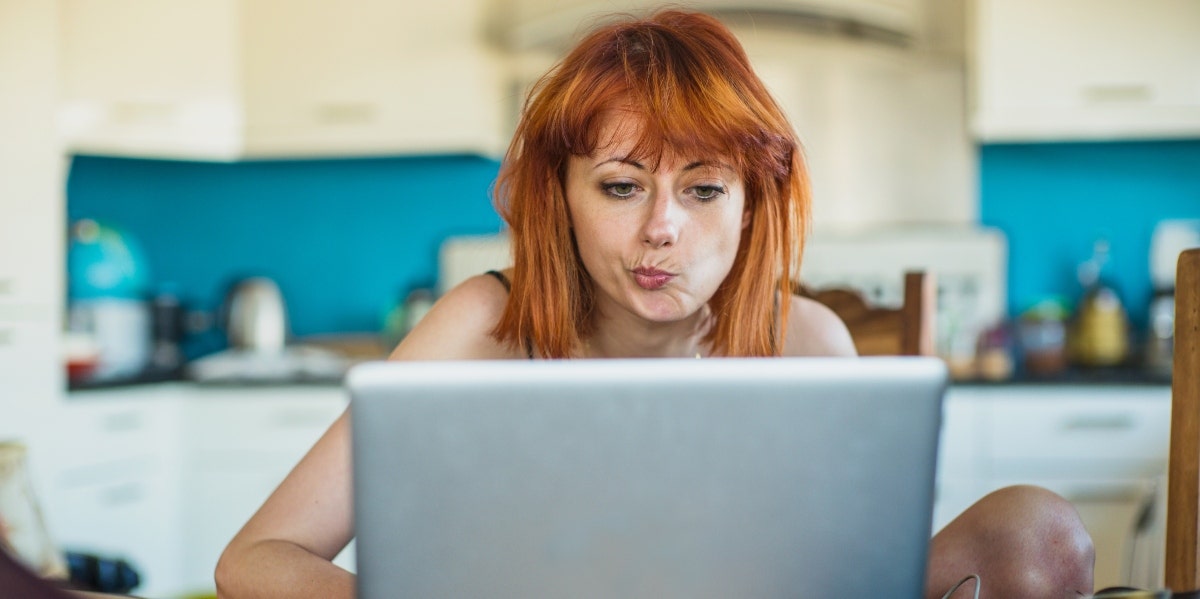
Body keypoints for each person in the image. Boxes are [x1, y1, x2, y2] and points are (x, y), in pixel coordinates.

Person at [215, 9, 1094, 599]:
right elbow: (254, 559)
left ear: (754, 202)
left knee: (1040, 530)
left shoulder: (808, 339)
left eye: (705, 190)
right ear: (558, 195)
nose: (662, 229)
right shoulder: (482, 324)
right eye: (622, 185)